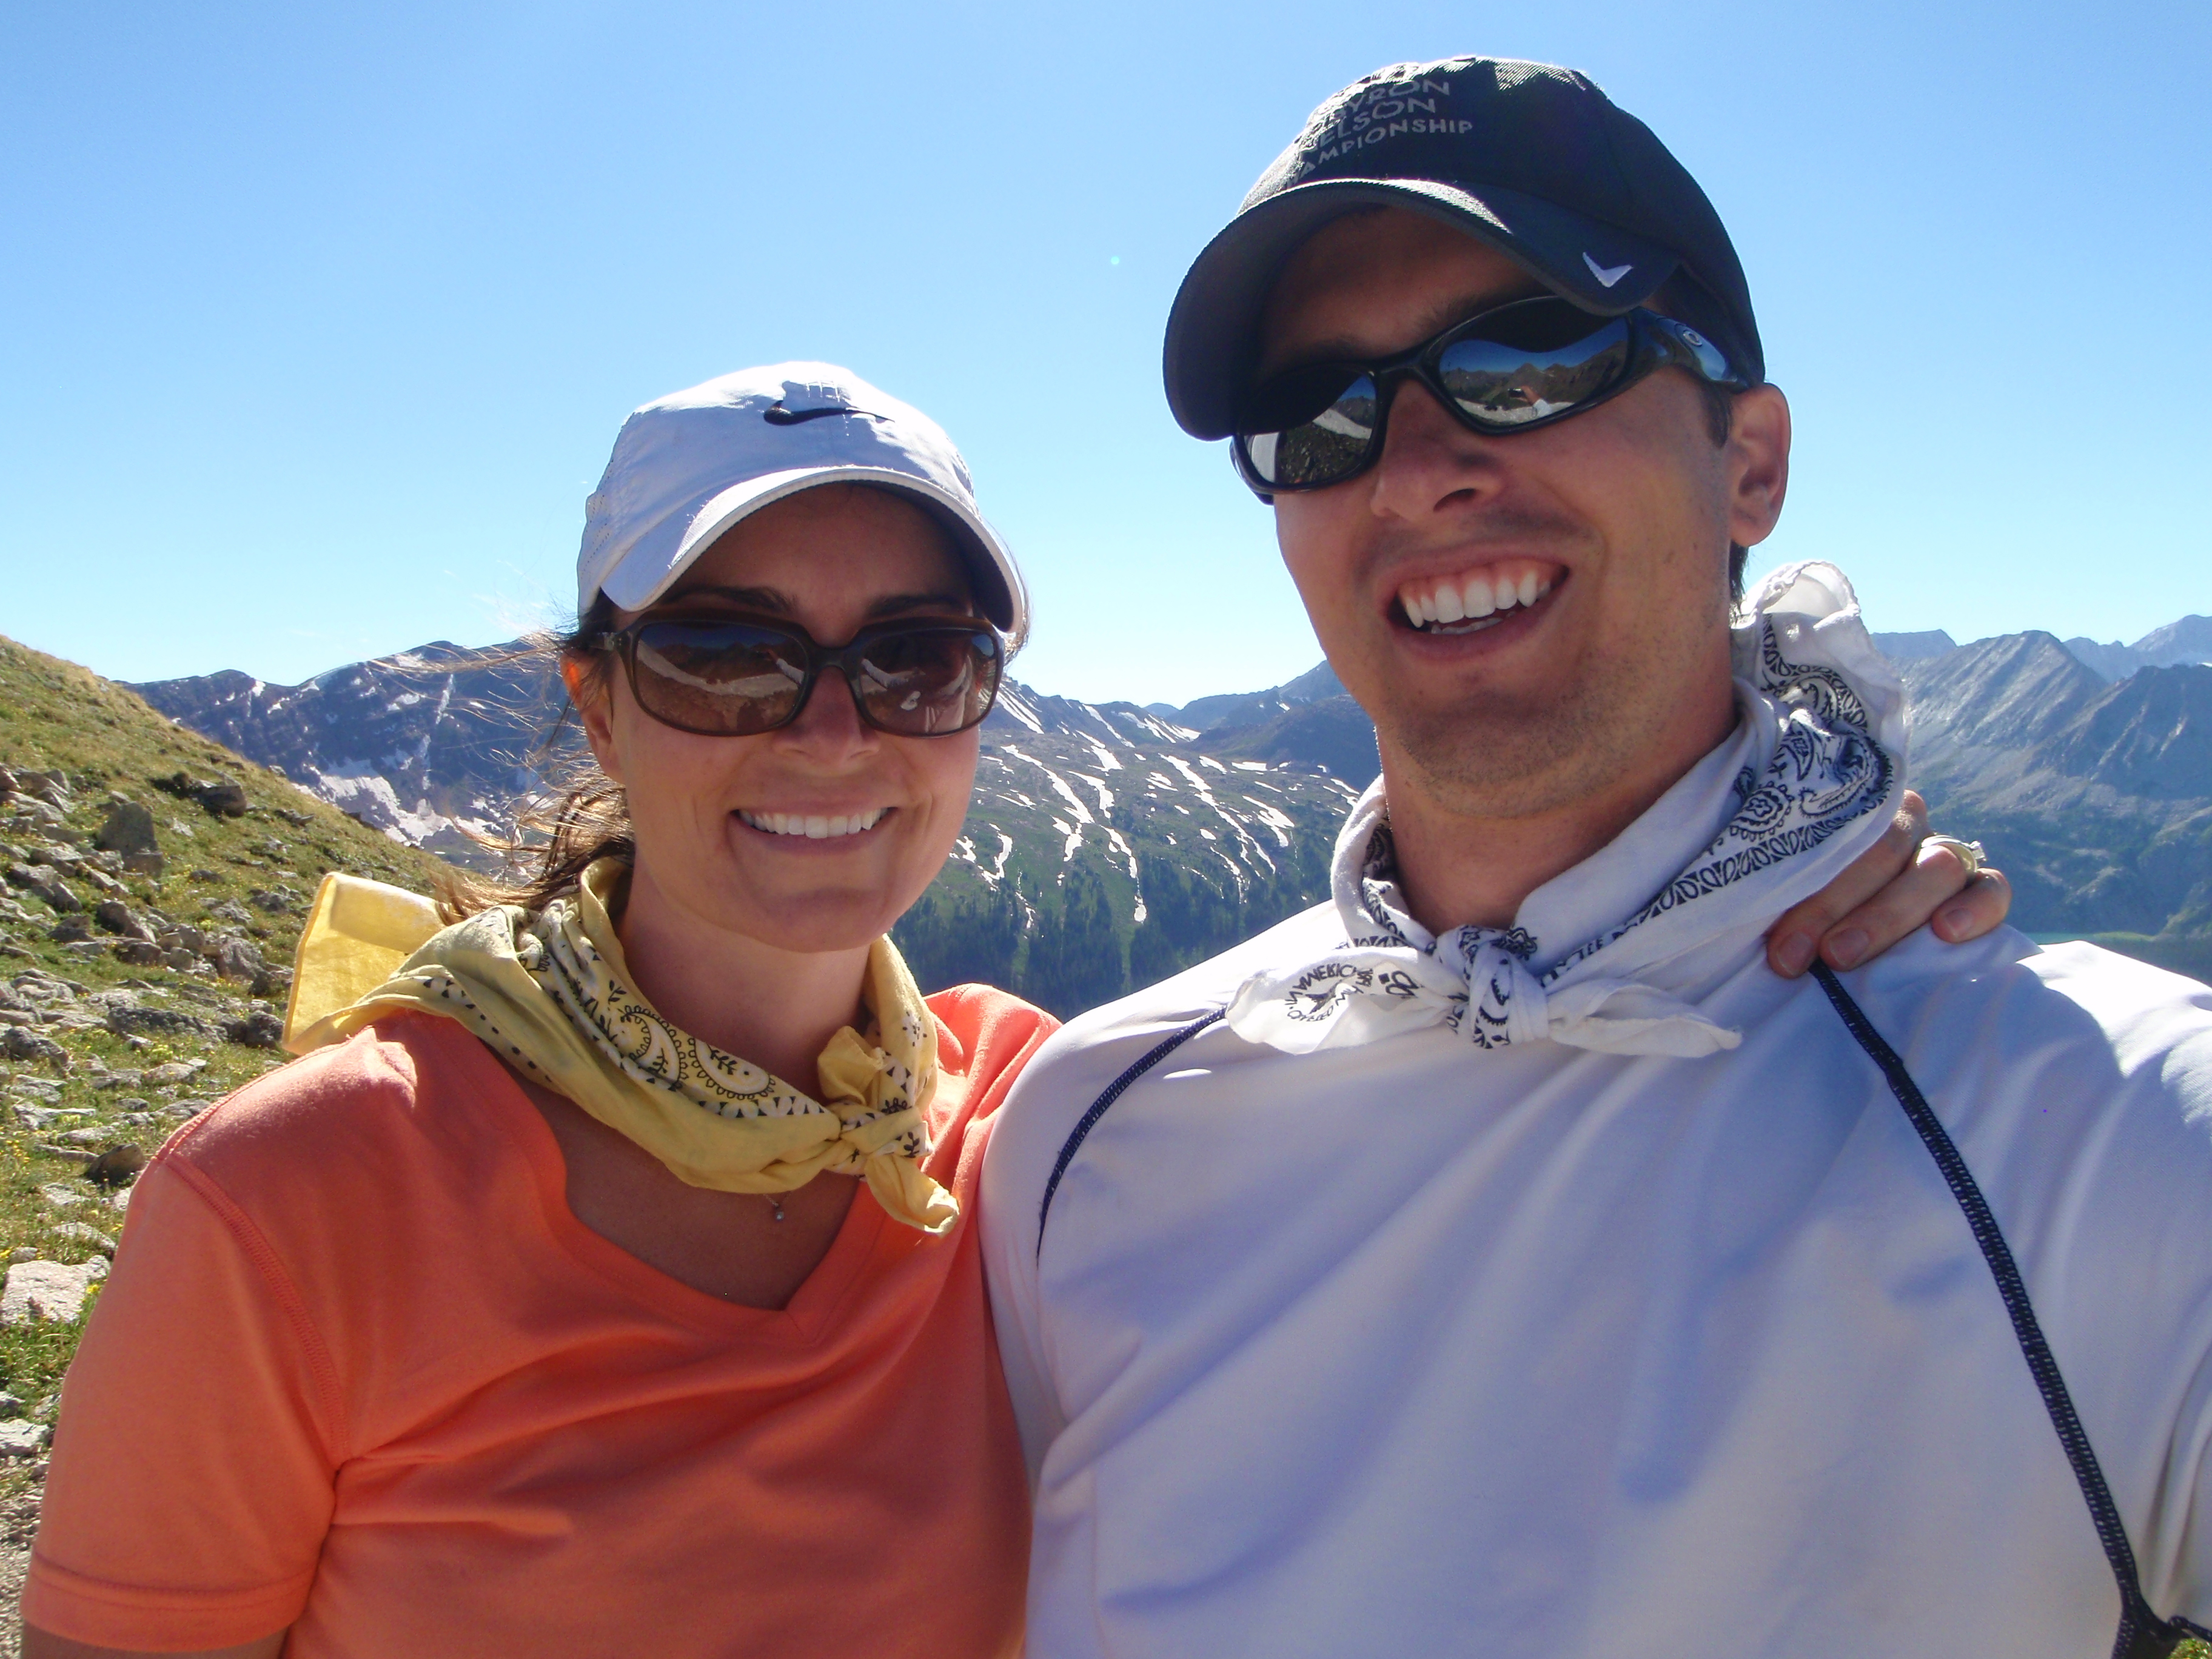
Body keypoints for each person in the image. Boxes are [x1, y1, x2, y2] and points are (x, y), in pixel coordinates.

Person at [20, 363, 1999, 1655]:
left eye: (917, 659)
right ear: (596, 704)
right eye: (726, 655)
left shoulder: (1040, 1122)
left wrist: (1760, 912)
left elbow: (1470, 1164)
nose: (830, 732)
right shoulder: (289, 1208)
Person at [980, 56, 2212, 1659]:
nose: (1412, 469)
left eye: (1529, 359)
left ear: (1750, 465)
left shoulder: (2115, 1138)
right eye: (1321, 415)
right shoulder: (1081, 1136)